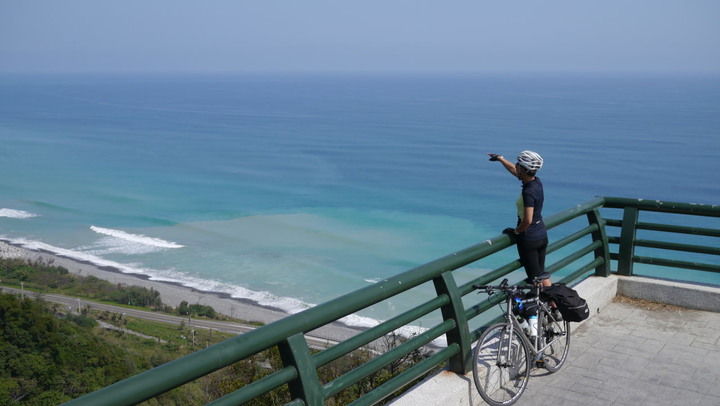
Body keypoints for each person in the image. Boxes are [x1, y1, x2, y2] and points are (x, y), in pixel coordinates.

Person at [487, 150, 552, 289]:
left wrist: (516, 231)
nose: (516, 167)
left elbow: (527, 220)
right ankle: (555, 308)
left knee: (535, 280)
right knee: (541, 274)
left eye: (518, 165)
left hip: (529, 239)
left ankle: (550, 305)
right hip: (541, 234)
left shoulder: (528, 191)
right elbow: (515, 171)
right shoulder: (536, 182)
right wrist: (501, 159)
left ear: (523, 169)